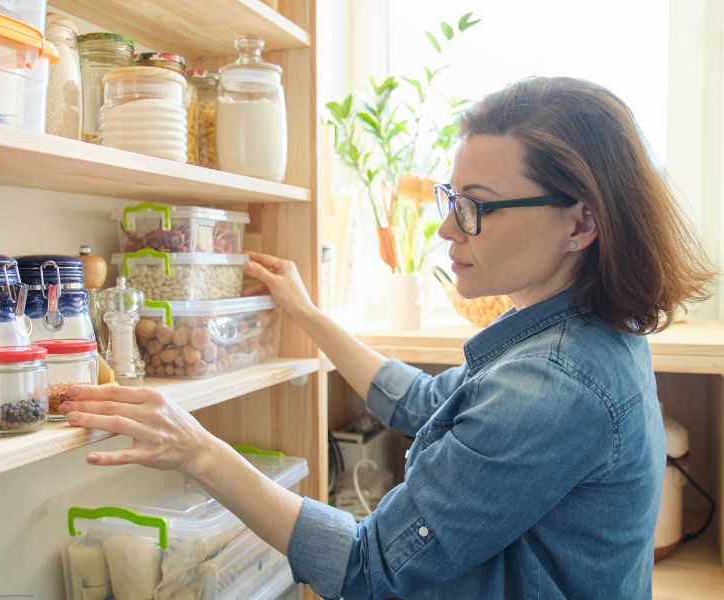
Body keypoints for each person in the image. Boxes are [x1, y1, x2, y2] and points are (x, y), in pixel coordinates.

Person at [59, 76, 717, 599]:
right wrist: (311, 318)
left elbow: (370, 567)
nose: (445, 230)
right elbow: (431, 402)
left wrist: (198, 451)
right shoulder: (571, 334)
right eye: (449, 199)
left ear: (581, 223)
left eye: (476, 208)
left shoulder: (550, 382)